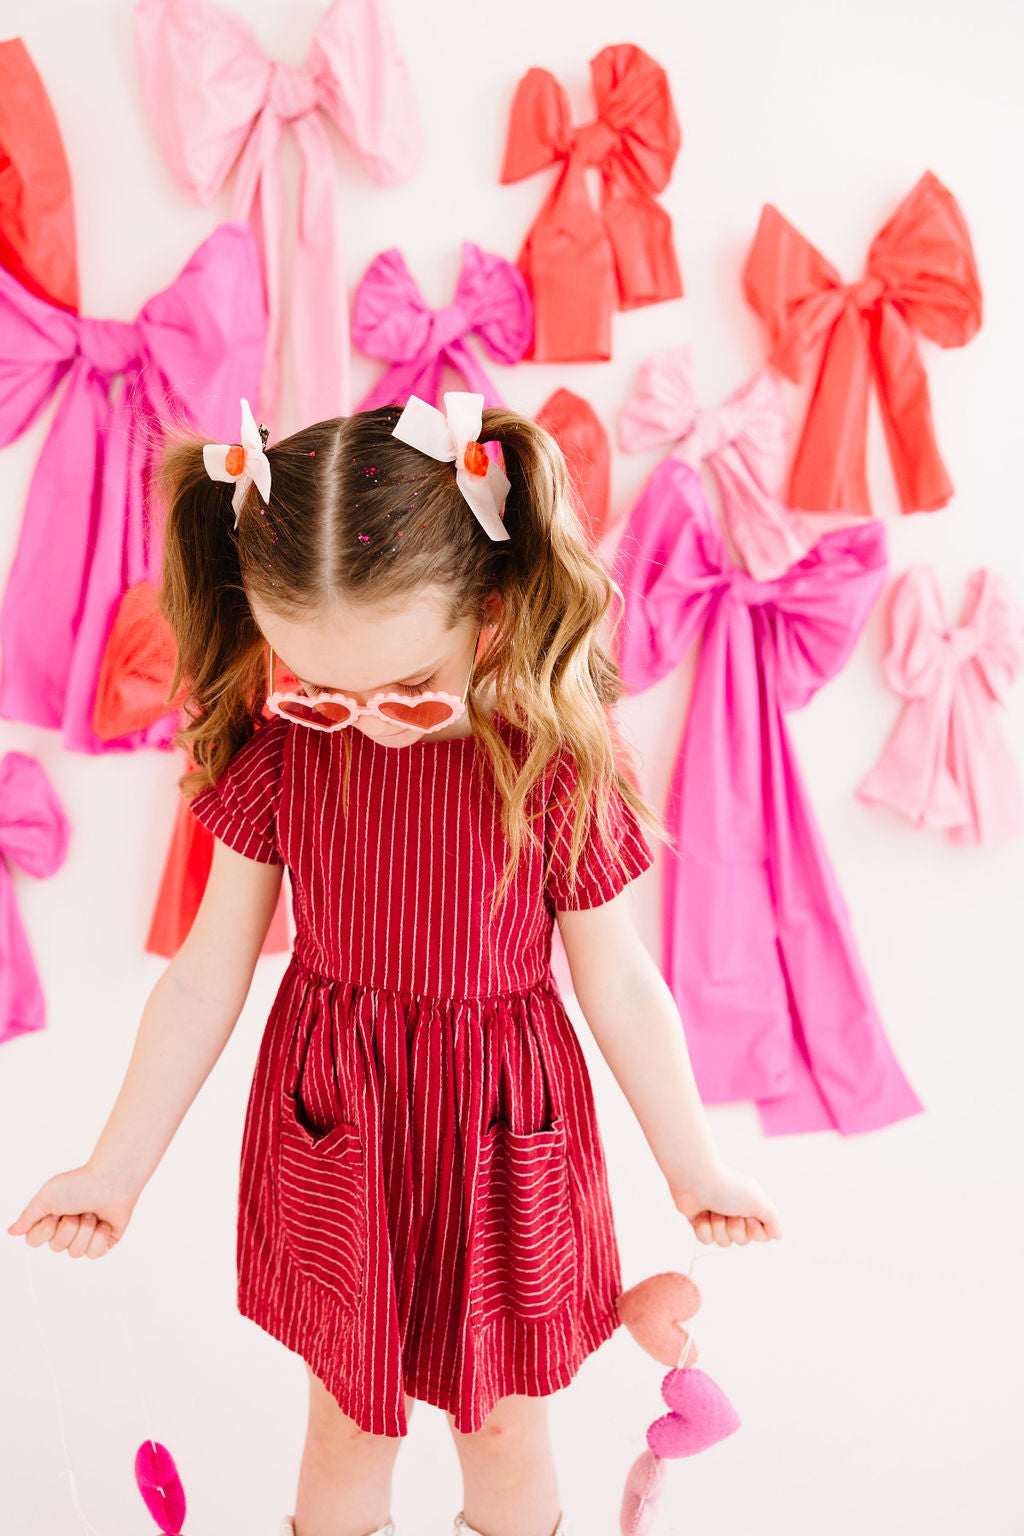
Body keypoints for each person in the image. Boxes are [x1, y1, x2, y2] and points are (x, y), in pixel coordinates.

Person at [7, 392, 782, 1536]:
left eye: (404, 688)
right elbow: (204, 977)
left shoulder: (553, 765)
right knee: (346, 1420)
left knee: (506, 1424)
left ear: (492, 605)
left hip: (503, 1132)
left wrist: (693, 1167)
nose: (363, 719)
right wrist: (114, 1170)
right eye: (319, 689)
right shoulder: (284, 759)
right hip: (340, 1123)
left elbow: (618, 984)